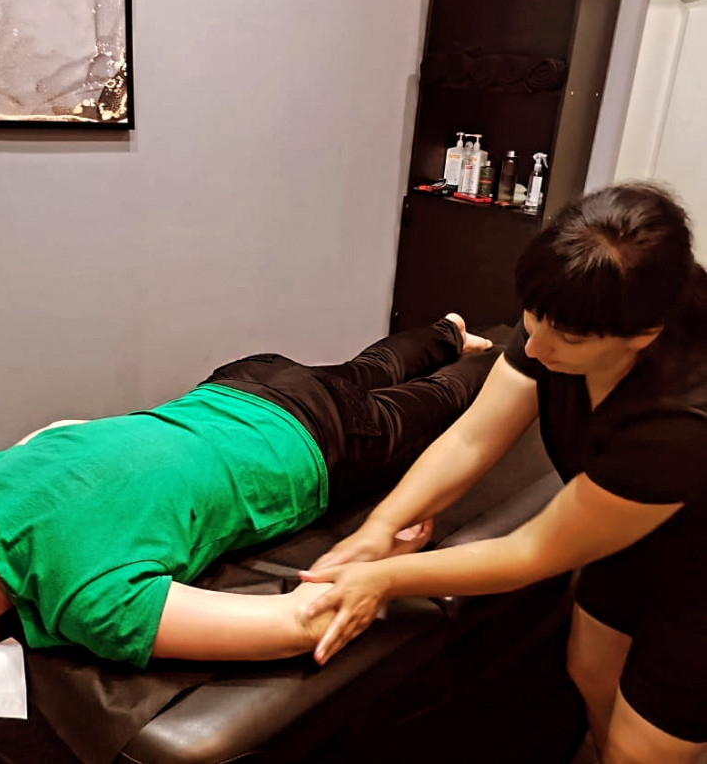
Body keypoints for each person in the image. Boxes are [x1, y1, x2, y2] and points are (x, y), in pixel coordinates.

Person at [302, 183, 707, 763]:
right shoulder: (573, 307)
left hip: (697, 570)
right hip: (623, 530)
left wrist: (382, 579)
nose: (535, 348)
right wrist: (378, 529)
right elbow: (472, 439)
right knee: (590, 669)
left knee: (640, 748)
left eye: (568, 339)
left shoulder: (678, 421)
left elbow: (530, 553)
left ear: (645, 335)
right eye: (533, 319)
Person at [0, 314, 496, 674]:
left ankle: (509, 353)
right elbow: (61, 431)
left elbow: (303, 625)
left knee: (444, 399)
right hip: (241, 383)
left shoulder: (92, 604)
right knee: (364, 369)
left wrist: (386, 557)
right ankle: (450, 331)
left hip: (316, 444)